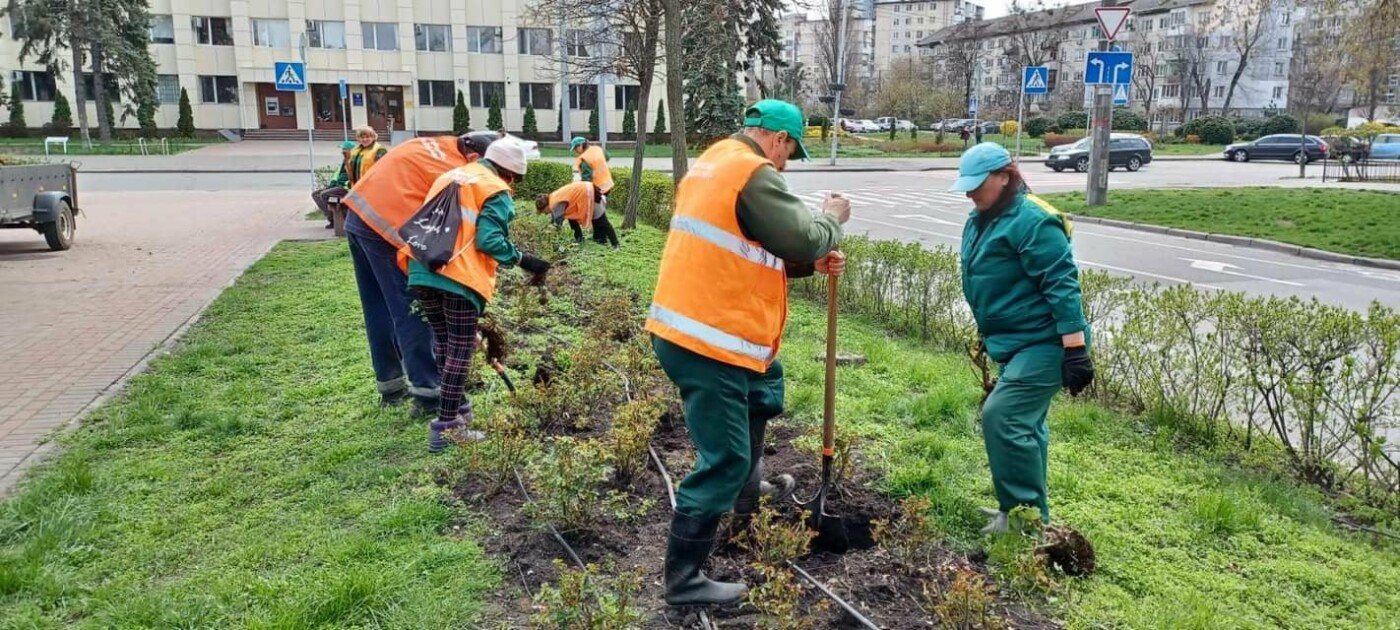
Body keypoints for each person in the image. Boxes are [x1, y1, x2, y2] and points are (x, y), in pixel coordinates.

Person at [644, 99, 850, 607]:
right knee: (726, 457)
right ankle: (685, 581)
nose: (785, 162)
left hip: (707, 331)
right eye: (790, 152)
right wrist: (831, 222)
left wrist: (811, 264)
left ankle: (745, 500)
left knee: (764, 391)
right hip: (708, 342)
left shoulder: (715, 161)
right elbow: (802, 236)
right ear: (778, 139)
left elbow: (749, 245)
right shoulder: (752, 171)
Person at [949, 143, 1094, 534]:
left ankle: (1021, 519)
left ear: (1005, 177)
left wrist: (1075, 350)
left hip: (1045, 343)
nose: (970, 192)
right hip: (1013, 343)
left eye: (978, 184)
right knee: (1026, 426)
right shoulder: (981, 218)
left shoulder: (1033, 220)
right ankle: (1023, 513)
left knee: (1004, 416)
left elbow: (1062, 286)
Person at [399, 139, 552, 452]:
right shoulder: (495, 191)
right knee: (459, 348)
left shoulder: (452, 175)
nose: (513, 185)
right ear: (508, 173)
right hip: (457, 277)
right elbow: (489, 241)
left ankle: (457, 408)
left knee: (443, 342)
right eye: (515, 179)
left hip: (421, 267)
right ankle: (447, 428)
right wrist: (525, 260)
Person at [342, 131, 501, 412]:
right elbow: (447, 234)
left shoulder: (436, 144)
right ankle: (428, 391)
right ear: (475, 157)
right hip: (385, 228)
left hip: (357, 216)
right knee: (413, 308)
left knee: (378, 307)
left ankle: (390, 386)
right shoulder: (457, 173)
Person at [534, 182, 620, 249]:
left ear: (546, 206)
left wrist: (551, 237)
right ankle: (581, 238)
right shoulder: (553, 198)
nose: (545, 213)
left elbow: (557, 223)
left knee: (601, 220)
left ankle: (615, 244)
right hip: (586, 191)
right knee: (572, 217)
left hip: (589, 193)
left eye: (543, 211)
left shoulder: (555, 204)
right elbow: (556, 217)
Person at [570, 136, 616, 244]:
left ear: (581, 145)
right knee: (599, 212)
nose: (576, 151)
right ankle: (599, 237)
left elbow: (587, 179)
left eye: (576, 148)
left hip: (597, 189)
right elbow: (607, 157)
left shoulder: (584, 159)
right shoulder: (597, 149)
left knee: (597, 214)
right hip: (608, 184)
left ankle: (601, 239)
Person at [312, 141, 356, 229]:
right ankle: (331, 218)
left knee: (324, 194)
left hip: (346, 188)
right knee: (315, 194)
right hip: (338, 187)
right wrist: (332, 185)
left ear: (351, 150)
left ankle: (334, 220)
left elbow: (351, 177)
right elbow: (337, 174)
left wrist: (344, 185)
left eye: (344, 149)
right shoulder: (345, 160)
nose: (342, 151)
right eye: (342, 149)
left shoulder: (353, 161)